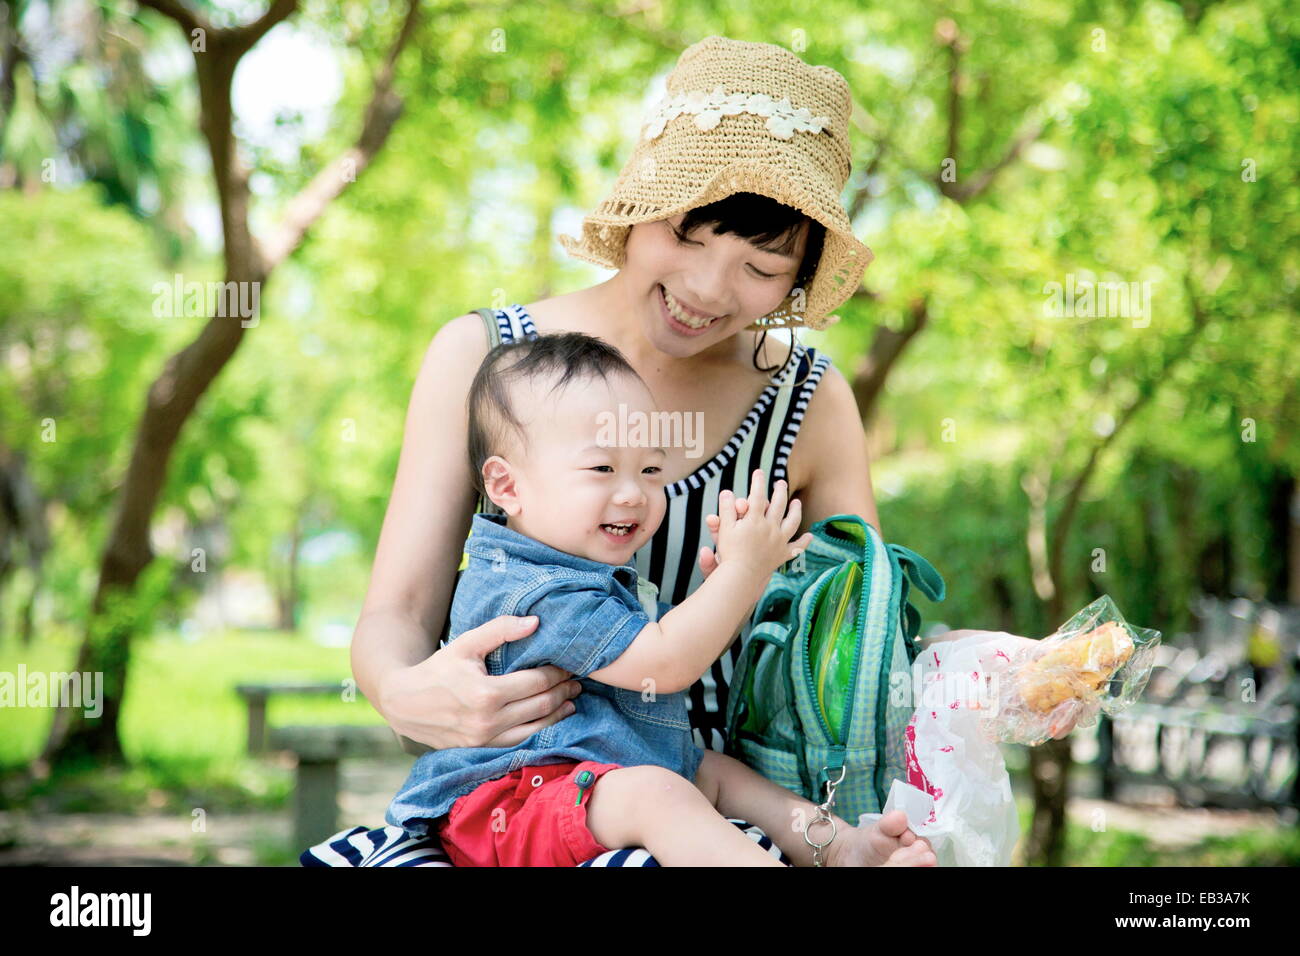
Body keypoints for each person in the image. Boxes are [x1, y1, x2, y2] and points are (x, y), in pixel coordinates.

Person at [305, 35, 1076, 868]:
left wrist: (987, 671)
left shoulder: (809, 401)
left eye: (760, 265)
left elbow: (856, 635)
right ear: (642, 205)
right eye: (688, 233)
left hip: (712, 790)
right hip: (529, 795)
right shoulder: (488, 358)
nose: (710, 290)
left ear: (798, 279)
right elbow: (397, 611)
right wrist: (406, 691)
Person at [383, 331, 936, 866]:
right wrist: (741, 572)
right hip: (512, 805)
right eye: (602, 468)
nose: (633, 493)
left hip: (590, 783)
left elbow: (661, 653)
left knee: (715, 772)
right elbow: (667, 661)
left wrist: (735, 592)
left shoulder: (576, 569)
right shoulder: (532, 588)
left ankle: (838, 846)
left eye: (651, 470)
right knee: (659, 792)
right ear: (506, 487)